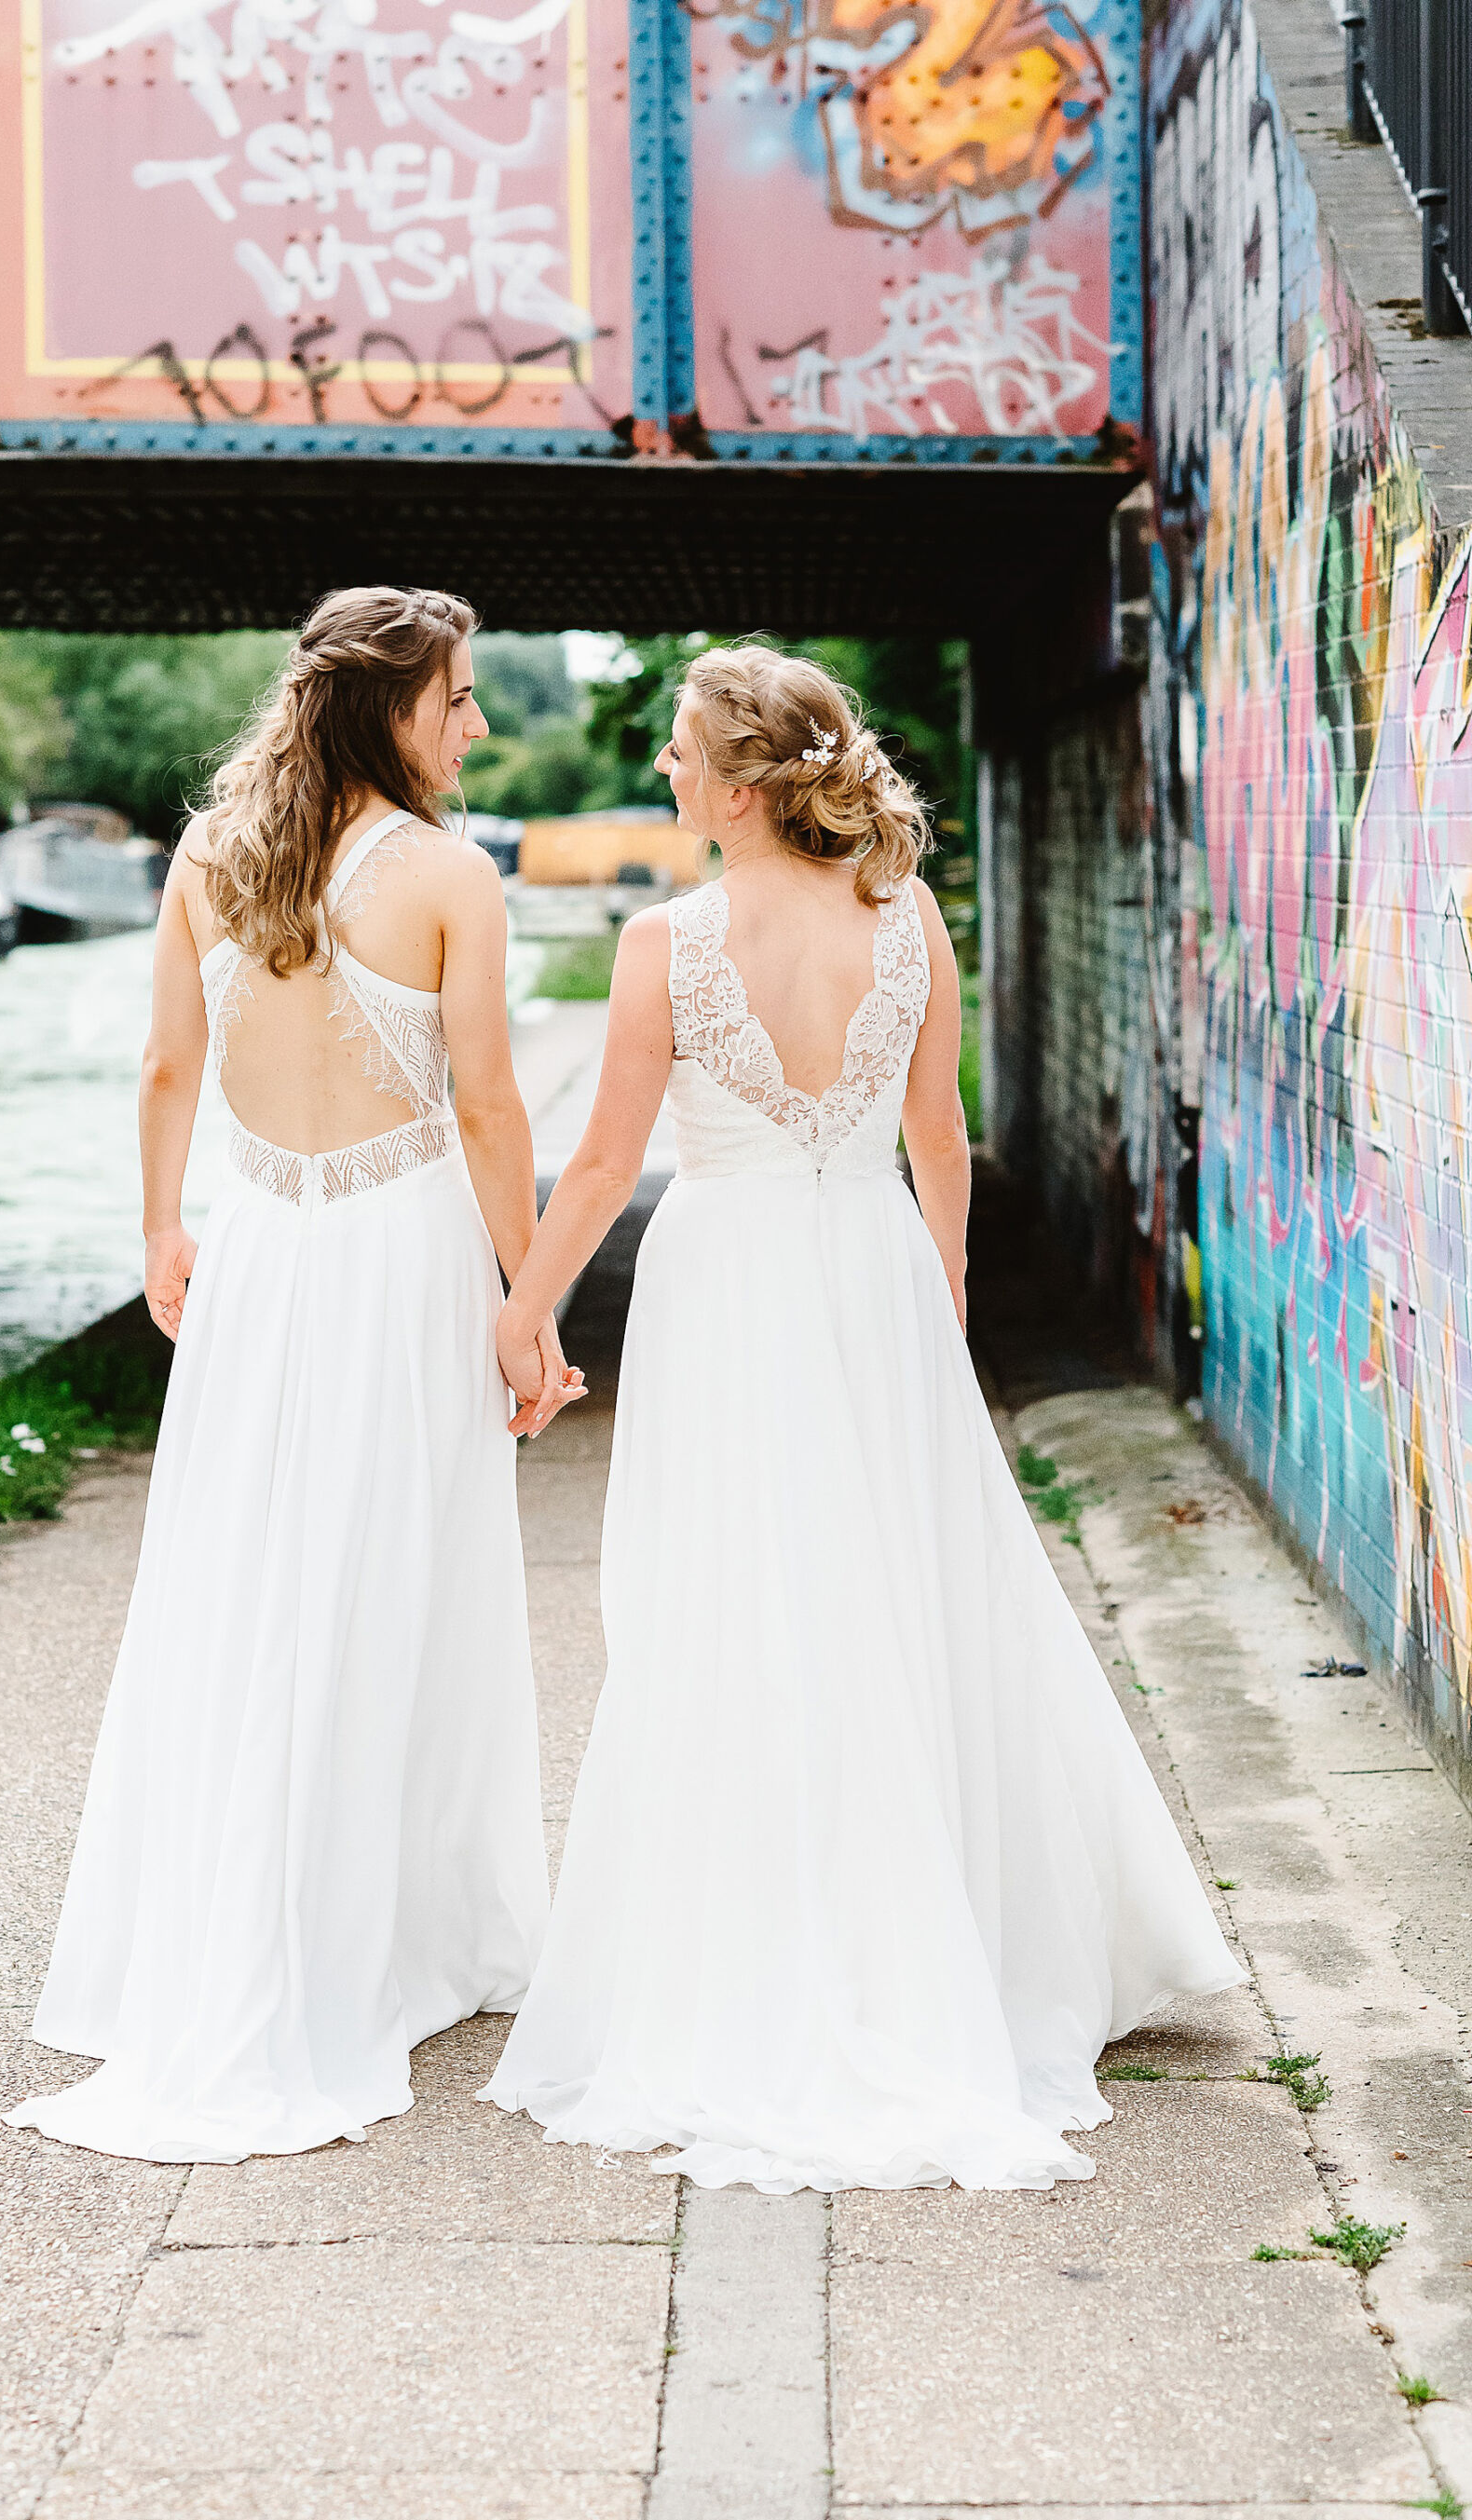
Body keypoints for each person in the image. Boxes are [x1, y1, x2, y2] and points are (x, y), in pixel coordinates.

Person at [483, 645, 1243, 2194]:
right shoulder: (905, 919)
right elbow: (940, 1137)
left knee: (734, 1594)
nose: (666, 770)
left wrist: (525, 1300)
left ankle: (759, 1937)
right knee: (908, 1588)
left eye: (684, 750)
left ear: (748, 781)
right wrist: (941, 1286)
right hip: (873, 1264)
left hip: (732, 1274)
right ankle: (951, 1922)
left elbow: (611, 1161)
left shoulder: (667, 940)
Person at [7, 585, 579, 2165]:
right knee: (400, 1569)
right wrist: (525, 1299)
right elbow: (484, 1112)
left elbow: (167, 1068)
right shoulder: (451, 877)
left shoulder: (210, 857)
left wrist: (160, 1227)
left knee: (245, 1574)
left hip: (259, 1244)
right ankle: (396, 1931)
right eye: (458, 695)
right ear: (391, 707)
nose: (472, 722)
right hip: (400, 1251)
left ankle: (254, 1916)